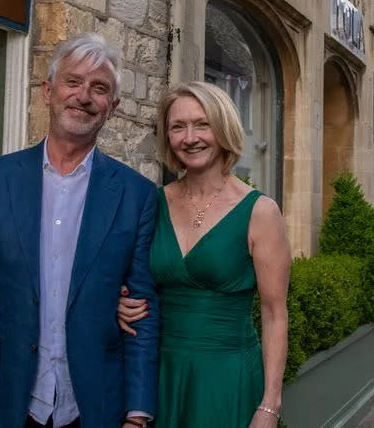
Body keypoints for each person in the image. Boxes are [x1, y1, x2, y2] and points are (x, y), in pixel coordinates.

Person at [0, 33, 160, 428]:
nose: (84, 96)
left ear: (113, 107)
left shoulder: (136, 195)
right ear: (48, 90)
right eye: (73, 81)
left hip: (92, 406)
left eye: (99, 88)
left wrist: (137, 412)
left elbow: (141, 311)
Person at [116, 82, 291, 427]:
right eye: (178, 127)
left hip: (225, 376)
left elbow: (275, 315)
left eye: (202, 124)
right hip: (158, 371)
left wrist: (270, 405)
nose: (190, 137)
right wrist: (118, 302)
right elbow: (128, 277)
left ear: (223, 128)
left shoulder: (260, 211)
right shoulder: (151, 203)